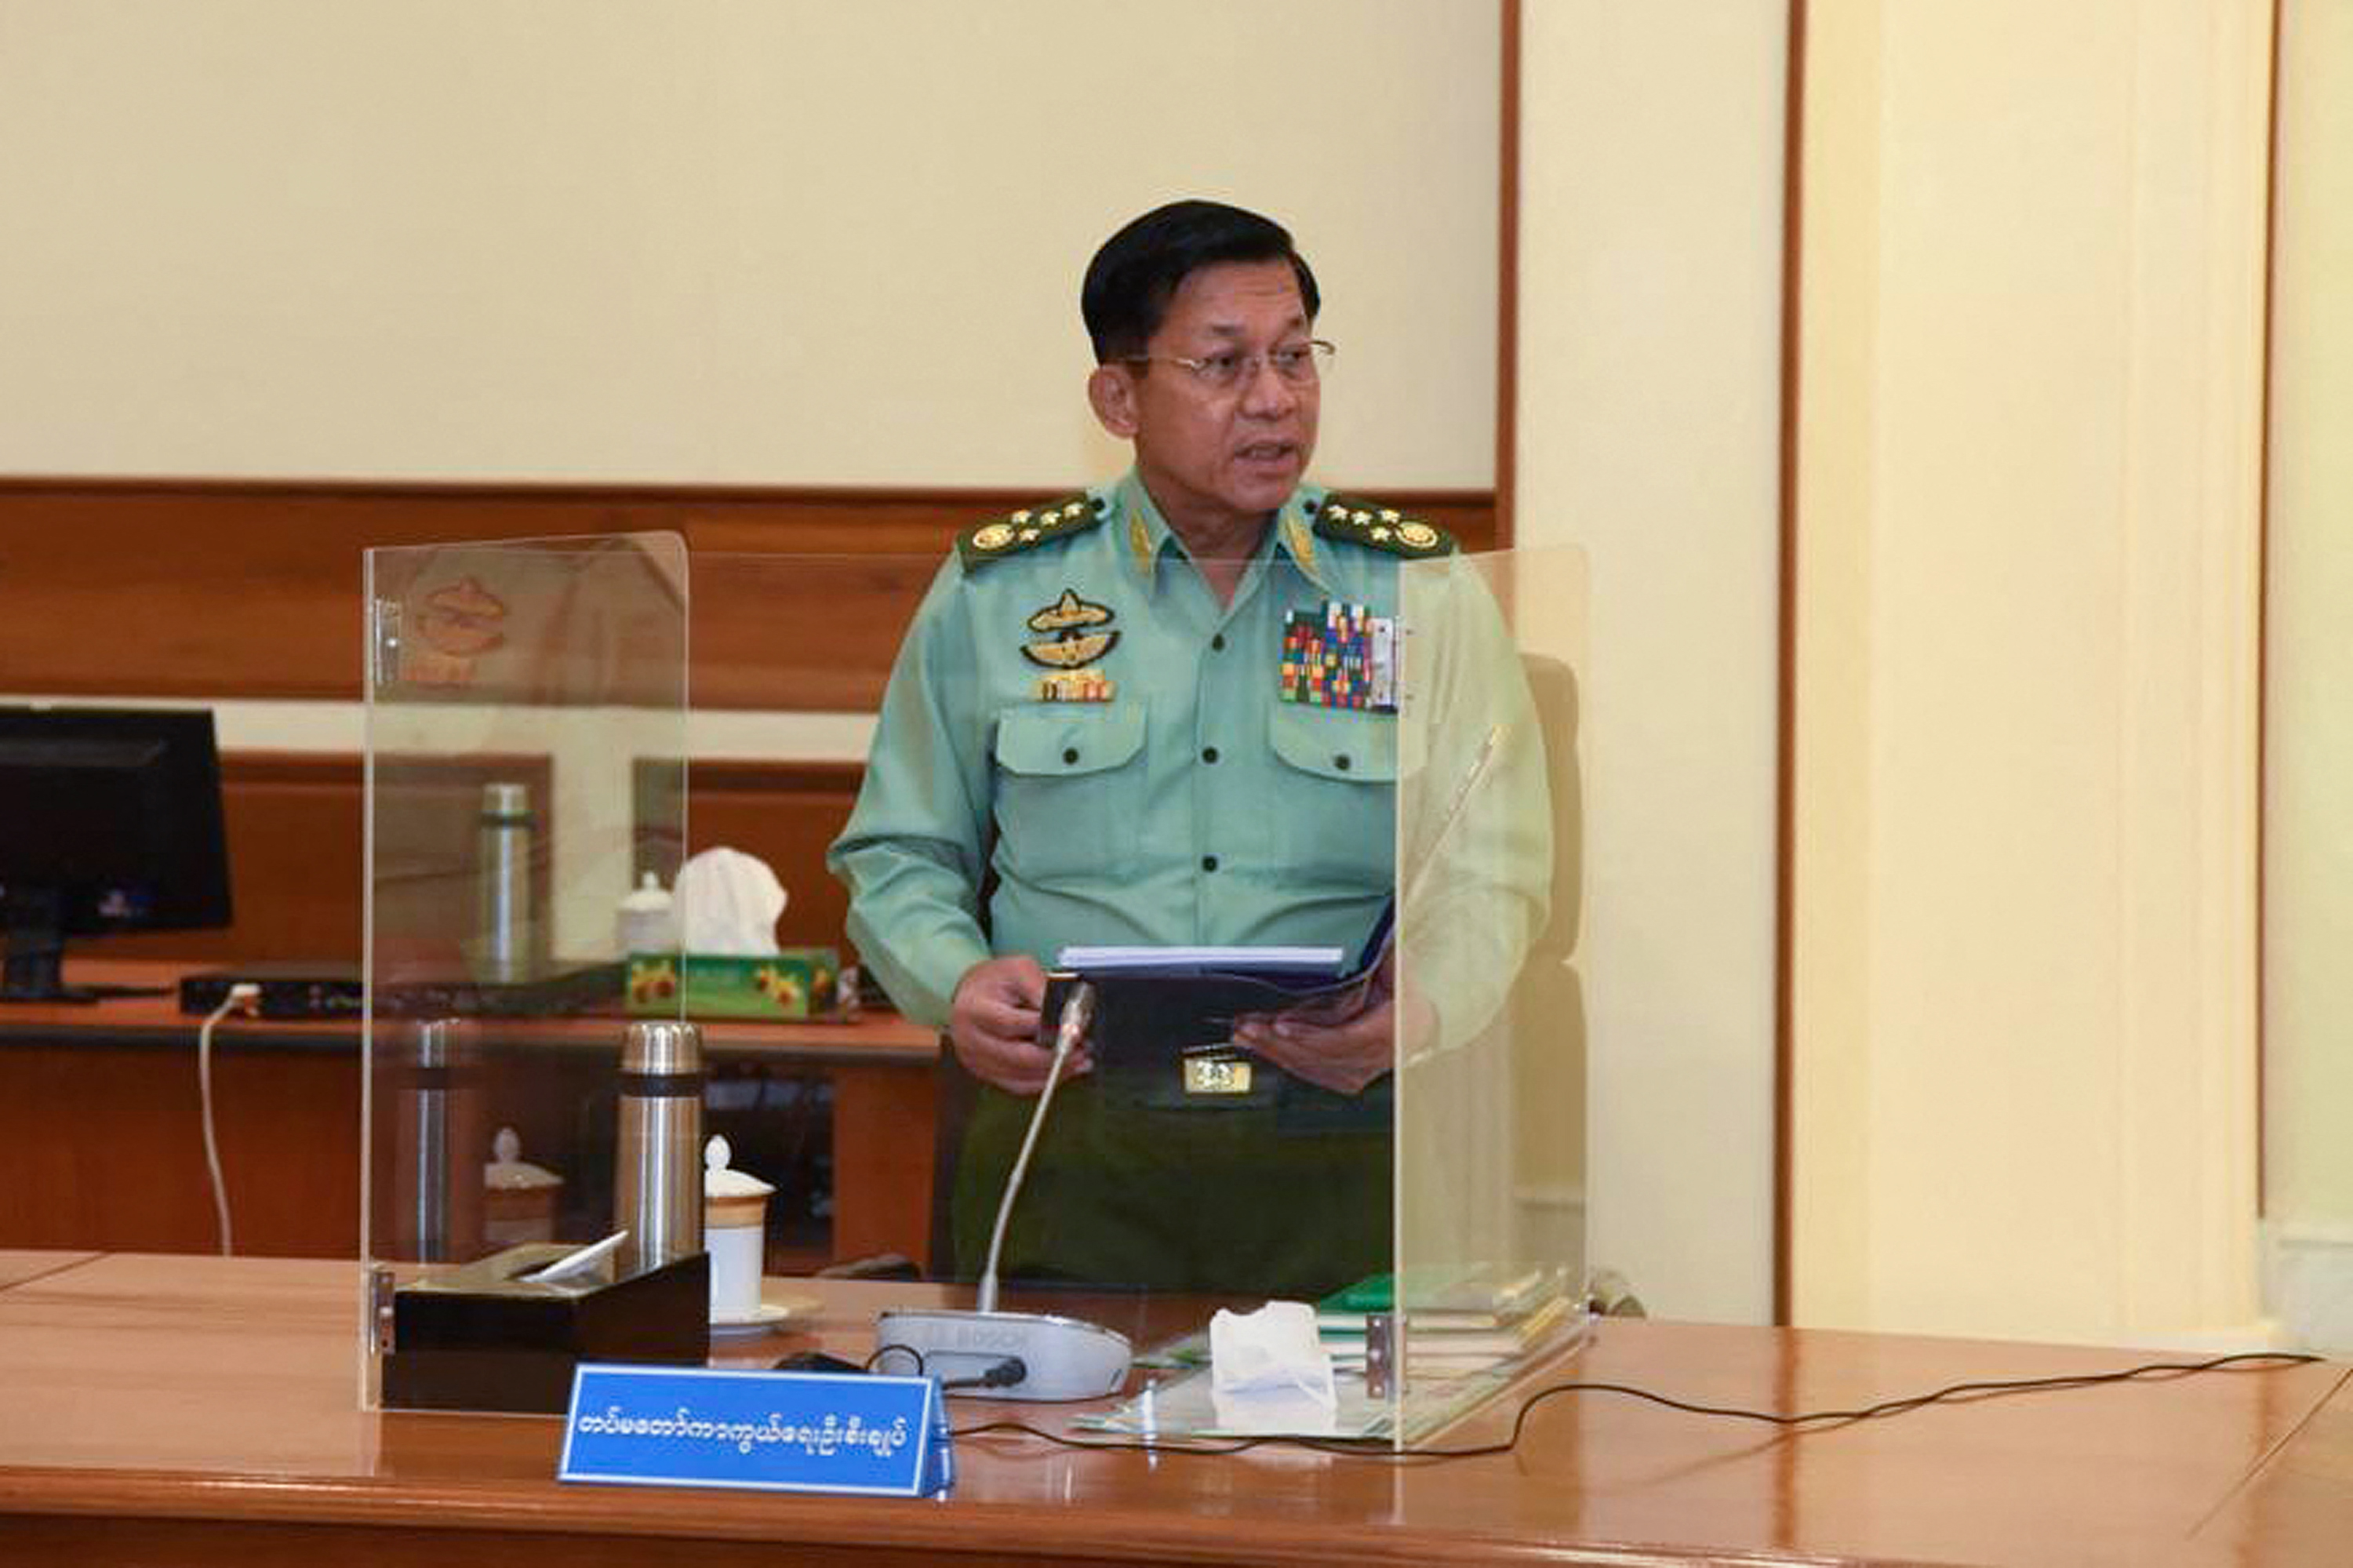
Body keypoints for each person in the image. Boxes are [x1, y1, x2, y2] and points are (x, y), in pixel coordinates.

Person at [828, 200, 1546, 1295]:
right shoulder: (1001, 591)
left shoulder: (1419, 590)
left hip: (1342, 1138)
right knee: (1048, 1459)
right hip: (1071, 1130)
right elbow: (898, 855)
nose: (1275, 399)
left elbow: (1494, 867)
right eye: (1223, 364)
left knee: (1342, 1467)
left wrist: (1425, 1009)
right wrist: (956, 981)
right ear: (1120, 396)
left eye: (1296, 357)